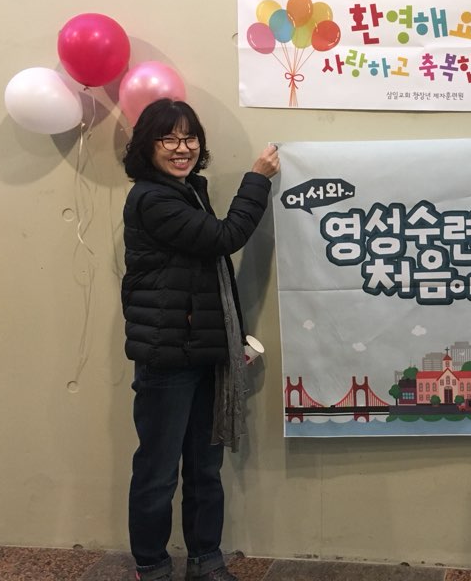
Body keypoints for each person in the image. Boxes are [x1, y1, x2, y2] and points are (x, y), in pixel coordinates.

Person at [121, 99, 280, 581]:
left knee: (205, 469)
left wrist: (231, 340)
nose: (181, 148)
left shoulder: (189, 191)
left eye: (189, 137)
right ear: (147, 146)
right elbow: (225, 238)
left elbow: (209, 277)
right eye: (168, 138)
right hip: (167, 358)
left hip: (204, 351)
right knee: (158, 472)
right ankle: (152, 566)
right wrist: (257, 179)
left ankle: (205, 560)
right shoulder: (153, 199)